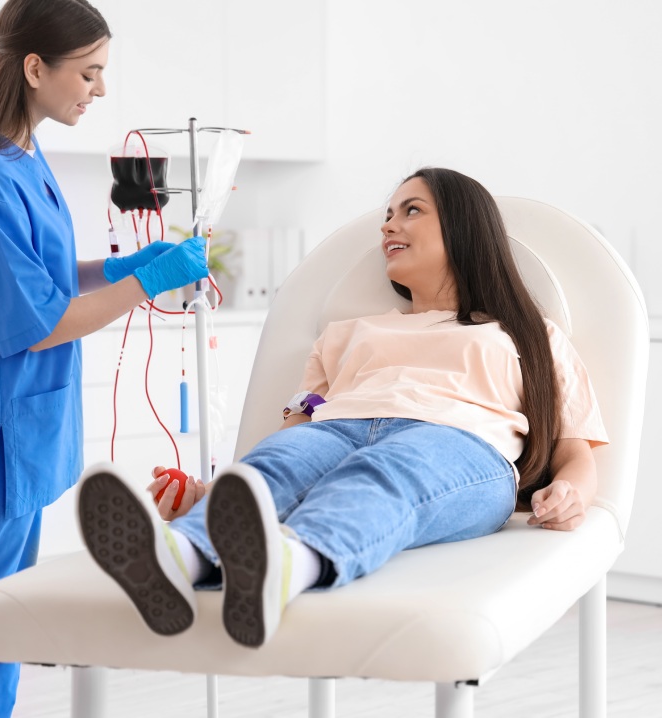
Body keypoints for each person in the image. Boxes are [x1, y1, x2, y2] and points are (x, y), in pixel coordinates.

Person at [77, 167, 609, 649]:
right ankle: (178, 557)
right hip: (340, 427)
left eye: (411, 210)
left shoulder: (529, 335)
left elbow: (574, 451)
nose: (388, 227)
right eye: (387, 215)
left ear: (464, 230)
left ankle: (288, 566)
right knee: (278, 466)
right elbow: (291, 436)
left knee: (378, 473)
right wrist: (209, 496)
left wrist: (572, 493)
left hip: (460, 445)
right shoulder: (346, 333)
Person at [0, 1, 209, 715]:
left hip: (4, 415)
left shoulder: (19, 154)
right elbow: (37, 324)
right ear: (35, 68)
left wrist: (120, 265)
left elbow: (37, 275)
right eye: (89, 72)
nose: (98, 90)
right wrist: (145, 285)